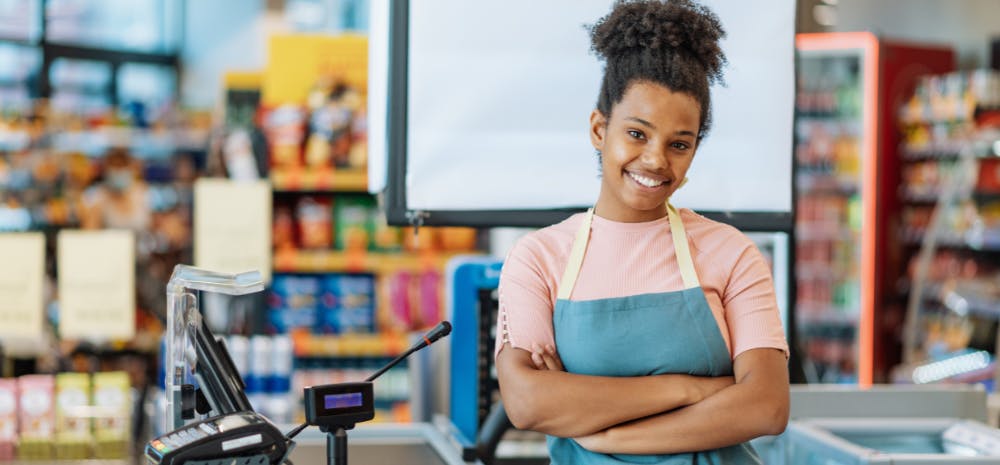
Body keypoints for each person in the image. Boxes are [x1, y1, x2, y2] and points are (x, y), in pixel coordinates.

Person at [494, 1, 790, 463]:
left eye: (679, 144)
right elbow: (529, 403)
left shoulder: (732, 254)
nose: (655, 160)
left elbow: (767, 407)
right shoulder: (537, 259)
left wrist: (606, 433)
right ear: (599, 128)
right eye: (637, 134)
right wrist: (691, 389)